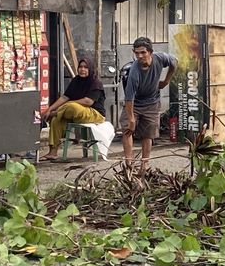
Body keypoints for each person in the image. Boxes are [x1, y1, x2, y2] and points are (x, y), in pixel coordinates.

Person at [119, 37, 176, 170]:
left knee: (148, 133)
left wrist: (166, 80)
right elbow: (129, 98)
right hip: (135, 103)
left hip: (152, 102)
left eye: (143, 52)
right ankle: (129, 163)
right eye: (137, 53)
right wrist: (132, 118)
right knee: (127, 128)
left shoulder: (160, 58)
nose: (140, 56)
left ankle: (145, 163)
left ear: (150, 52)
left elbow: (174, 62)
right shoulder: (134, 71)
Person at [40, 55, 106, 159]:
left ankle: (56, 113)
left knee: (72, 107)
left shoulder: (96, 82)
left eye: (85, 67)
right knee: (56, 120)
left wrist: (65, 106)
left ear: (90, 69)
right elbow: (65, 97)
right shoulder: (76, 81)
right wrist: (50, 108)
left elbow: (88, 101)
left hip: (94, 113)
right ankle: (53, 152)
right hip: (74, 113)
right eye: (80, 67)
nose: (82, 69)